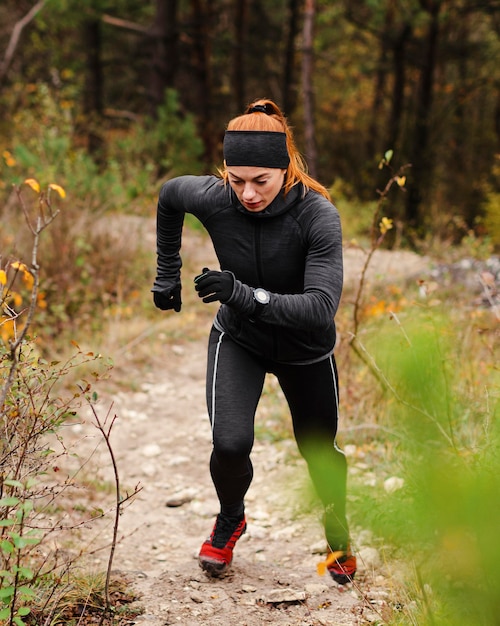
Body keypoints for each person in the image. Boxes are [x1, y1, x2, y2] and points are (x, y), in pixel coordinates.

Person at [152, 98, 356, 585]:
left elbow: (319, 309)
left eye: (260, 181)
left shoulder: (317, 216)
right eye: (235, 179)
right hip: (239, 339)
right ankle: (230, 519)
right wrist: (166, 274)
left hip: (305, 347)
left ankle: (338, 528)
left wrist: (243, 293)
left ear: (284, 169)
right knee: (229, 442)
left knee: (318, 449)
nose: (246, 193)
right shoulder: (213, 196)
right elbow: (168, 196)